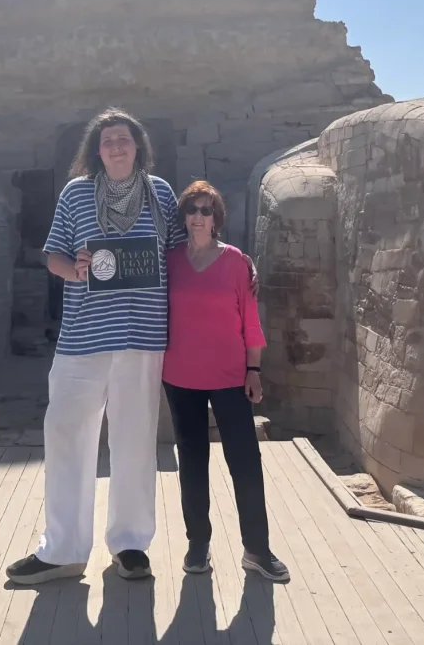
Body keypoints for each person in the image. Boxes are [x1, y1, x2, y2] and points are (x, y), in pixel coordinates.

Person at [6, 108, 184, 585]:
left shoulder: (160, 194)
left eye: (123, 138)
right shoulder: (76, 193)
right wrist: (77, 269)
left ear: (138, 144)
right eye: (108, 141)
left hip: (142, 336)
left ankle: (130, 545)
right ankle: (63, 549)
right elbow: (54, 256)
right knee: (66, 434)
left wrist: (229, 268)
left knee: (135, 441)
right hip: (84, 336)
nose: (116, 146)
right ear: (96, 150)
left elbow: (180, 256)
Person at [162, 180, 291, 583]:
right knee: (192, 462)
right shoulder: (170, 261)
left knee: (245, 461)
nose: (198, 217)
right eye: (192, 210)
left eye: (206, 210)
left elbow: (250, 320)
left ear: (216, 218)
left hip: (230, 376)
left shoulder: (236, 262)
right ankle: (198, 544)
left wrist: (254, 370)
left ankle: (257, 549)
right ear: (183, 216)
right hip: (180, 375)